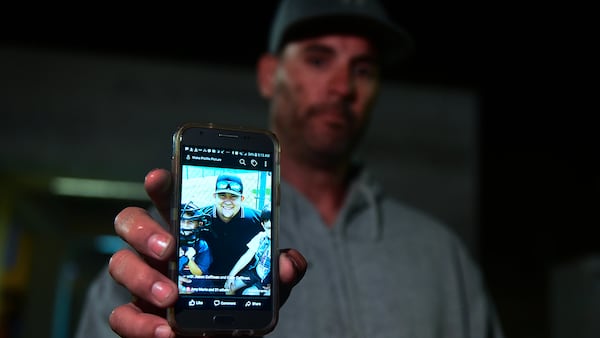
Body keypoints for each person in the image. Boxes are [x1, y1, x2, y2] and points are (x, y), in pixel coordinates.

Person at [76, 0, 504, 337]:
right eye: (319, 60)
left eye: (364, 69)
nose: (342, 87)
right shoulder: (159, 253)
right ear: (269, 75)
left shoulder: (441, 256)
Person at [225, 205, 273, 296]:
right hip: (256, 272)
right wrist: (231, 275)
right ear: (263, 225)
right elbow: (246, 256)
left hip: (269, 280)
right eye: (269, 228)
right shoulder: (261, 237)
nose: (272, 232)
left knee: (248, 293)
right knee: (228, 287)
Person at [178, 201, 213, 289]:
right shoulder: (171, 240)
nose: (185, 226)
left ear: (198, 224)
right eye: (182, 221)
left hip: (199, 287)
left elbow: (198, 273)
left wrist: (188, 258)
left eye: (190, 222)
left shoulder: (201, 245)